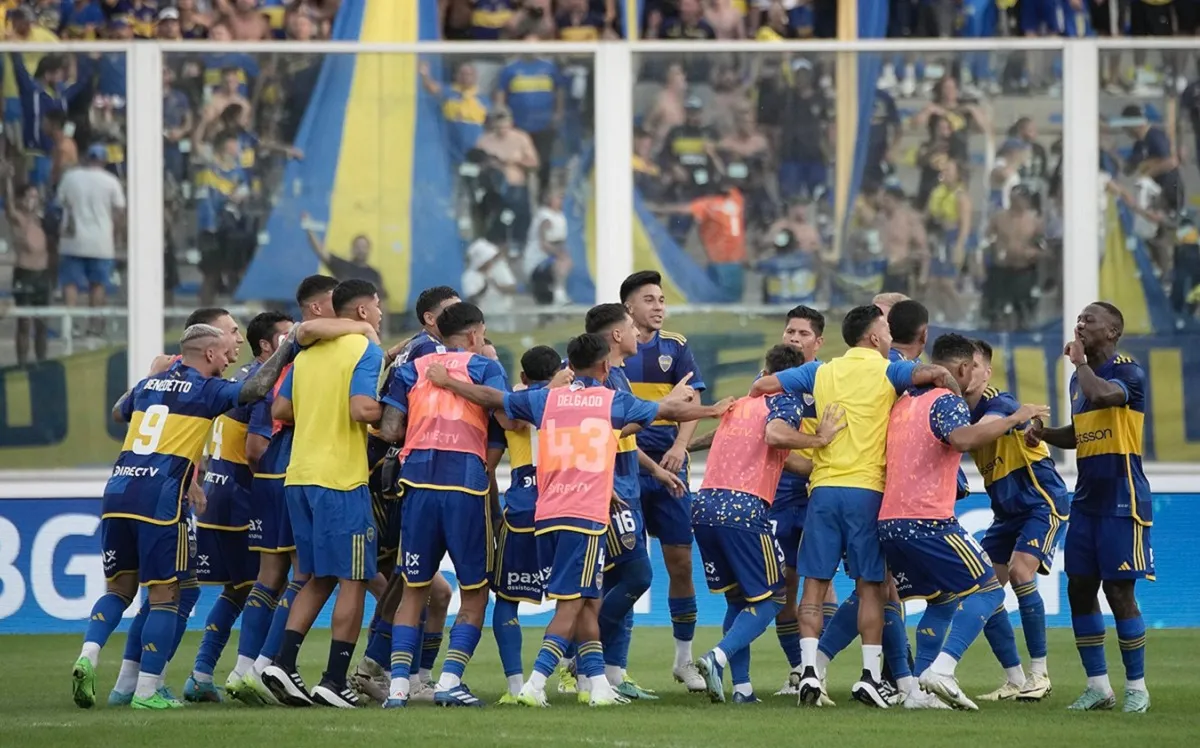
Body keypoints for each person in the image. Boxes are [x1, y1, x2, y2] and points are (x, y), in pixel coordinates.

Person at [426, 331, 735, 707]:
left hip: (547, 512)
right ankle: (535, 684)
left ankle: (599, 686)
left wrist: (448, 383)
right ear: (605, 365)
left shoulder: (546, 399)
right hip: (585, 515)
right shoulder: (610, 402)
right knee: (572, 603)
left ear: (569, 365)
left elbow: (493, 398)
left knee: (588, 599)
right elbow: (669, 413)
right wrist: (710, 411)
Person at [71, 322, 297, 710]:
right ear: (208, 354)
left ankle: (88, 655)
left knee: (120, 591)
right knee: (166, 595)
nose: (229, 360)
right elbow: (257, 388)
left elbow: (117, 410)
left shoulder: (149, 385)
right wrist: (288, 347)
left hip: (118, 490)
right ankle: (147, 691)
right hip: (160, 499)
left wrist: (154, 376)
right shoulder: (206, 390)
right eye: (225, 352)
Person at [751, 304, 957, 708]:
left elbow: (764, 387)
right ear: (875, 337)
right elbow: (930, 374)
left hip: (823, 489)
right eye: (885, 328)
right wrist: (950, 387)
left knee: (813, 583)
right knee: (871, 588)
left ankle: (809, 672)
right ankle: (868, 677)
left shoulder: (820, 371)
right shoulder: (888, 370)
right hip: (867, 491)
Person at [877, 333, 1050, 710]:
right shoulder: (947, 400)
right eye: (972, 366)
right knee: (988, 590)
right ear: (962, 367)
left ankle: (918, 694)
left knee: (941, 600)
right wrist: (1017, 417)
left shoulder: (904, 403)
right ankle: (943, 669)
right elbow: (961, 439)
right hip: (928, 520)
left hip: (889, 521)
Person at [692, 344, 846, 704]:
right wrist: (820, 439)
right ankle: (717, 657)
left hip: (704, 506)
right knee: (775, 598)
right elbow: (775, 436)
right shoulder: (785, 400)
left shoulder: (739, 405)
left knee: (738, 599)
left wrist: (686, 448)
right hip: (743, 508)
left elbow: (782, 456)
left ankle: (742, 689)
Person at [259, 280, 385, 709]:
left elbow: (282, 410)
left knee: (317, 577)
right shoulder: (366, 350)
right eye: (378, 306)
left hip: (299, 477)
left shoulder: (306, 357)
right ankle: (334, 679)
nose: (382, 313)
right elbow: (361, 409)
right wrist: (400, 417)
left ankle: (282, 662)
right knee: (352, 579)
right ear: (364, 312)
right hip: (341, 480)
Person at [377, 302, 509, 708]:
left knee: (414, 589)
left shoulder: (411, 368)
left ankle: (398, 688)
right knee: (474, 592)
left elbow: (389, 429)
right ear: (473, 335)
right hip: (464, 488)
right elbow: (507, 419)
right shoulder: (484, 367)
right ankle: (450, 681)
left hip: (416, 485)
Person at [1025, 302, 1154, 713]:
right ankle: (1099, 687)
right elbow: (1083, 433)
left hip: (1123, 498)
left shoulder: (1126, 371)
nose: (1079, 325)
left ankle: (1137, 687)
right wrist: (1045, 434)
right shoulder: (1079, 382)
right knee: (1080, 588)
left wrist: (1080, 365)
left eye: (1089, 320)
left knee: (1119, 591)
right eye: (1078, 320)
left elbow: (1104, 397)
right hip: (1086, 500)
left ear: (1113, 331)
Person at [225, 276, 345, 705]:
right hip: (294, 475)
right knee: (308, 574)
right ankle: (265, 665)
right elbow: (259, 441)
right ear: (317, 308)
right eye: (336, 302)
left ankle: (243, 668)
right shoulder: (300, 355)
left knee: (267, 578)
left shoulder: (290, 357)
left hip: (274, 479)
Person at [349, 285, 464, 704]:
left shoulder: (416, 348)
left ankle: (412, 676)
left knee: (431, 588)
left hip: (395, 472)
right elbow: (399, 420)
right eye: (453, 311)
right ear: (432, 319)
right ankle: (373, 668)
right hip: (395, 477)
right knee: (407, 575)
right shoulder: (425, 353)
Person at [585, 302, 688, 699]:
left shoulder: (619, 377)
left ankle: (611, 673)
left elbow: (623, 434)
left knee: (617, 579)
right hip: (607, 492)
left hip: (627, 485)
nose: (635, 334)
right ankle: (577, 655)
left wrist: (656, 470)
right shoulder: (599, 378)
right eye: (630, 326)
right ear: (616, 334)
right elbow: (606, 430)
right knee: (636, 576)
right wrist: (662, 408)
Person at [183, 312, 282, 703]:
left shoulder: (237, 378)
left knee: (237, 590)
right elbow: (256, 451)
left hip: (215, 493)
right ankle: (246, 671)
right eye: (232, 331)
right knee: (267, 584)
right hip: (242, 499)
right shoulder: (262, 385)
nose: (236, 338)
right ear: (269, 347)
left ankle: (202, 673)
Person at [618, 270, 708, 691]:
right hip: (623, 469)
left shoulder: (676, 346)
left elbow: (693, 400)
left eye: (661, 299)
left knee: (680, 563)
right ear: (629, 308)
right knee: (626, 568)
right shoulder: (613, 350)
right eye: (649, 299)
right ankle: (611, 665)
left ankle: (684, 660)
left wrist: (680, 447)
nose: (658, 306)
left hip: (671, 469)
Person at [967, 338, 1069, 704]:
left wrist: (1023, 422)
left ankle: (1039, 673)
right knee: (982, 586)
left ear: (986, 372)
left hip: (1040, 503)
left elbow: (996, 423)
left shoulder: (1000, 401)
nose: (966, 372)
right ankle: (1014, 678)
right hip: (1005, 513)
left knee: (1021, 572)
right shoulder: (957, 410)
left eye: (974, 366)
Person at [490, 345, 563, 703]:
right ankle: (582, 680)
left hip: (522, 505)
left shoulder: (512, 401)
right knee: (575, 598)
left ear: (523, 377)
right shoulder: (569, 400)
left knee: (506, 599)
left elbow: (507, 418)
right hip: (564, 503)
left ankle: (515, 685)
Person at [56, 144, 126, 337]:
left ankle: (69, 326)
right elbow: (119, 212)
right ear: (103, 160)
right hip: (101, 242)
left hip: (73, 240)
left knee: (70, 284)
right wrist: (116, 235)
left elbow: (60, 203)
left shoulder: (71, 177)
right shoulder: (111, 181)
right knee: (98, 284)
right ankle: (93, 327)